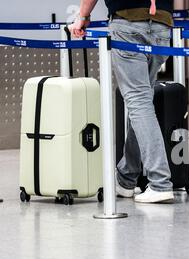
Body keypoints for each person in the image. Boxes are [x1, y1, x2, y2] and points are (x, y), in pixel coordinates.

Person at [70, 0, 175, 204]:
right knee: (142, 103)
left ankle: (160, 183)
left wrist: (82, 16)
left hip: (128, 22)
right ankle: (126, 179)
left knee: (138, 102)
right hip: (162, 25)